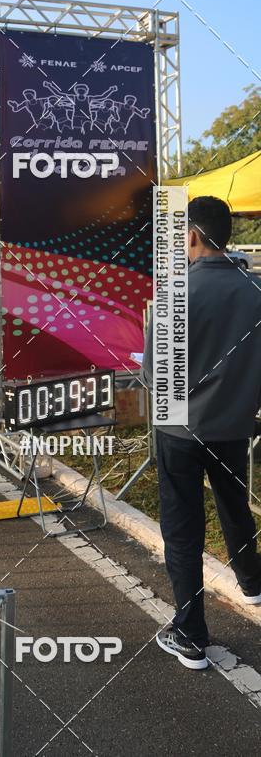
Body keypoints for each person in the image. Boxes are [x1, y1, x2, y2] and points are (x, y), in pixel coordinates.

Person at [142, 196, 261, 671]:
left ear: (190, 235)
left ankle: (191, 636)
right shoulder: (255, 292)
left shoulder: (175, 294)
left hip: (180, 430)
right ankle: (253, 584)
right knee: (235, 508)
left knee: (183, 529)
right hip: (234, 426)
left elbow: (154, 375)